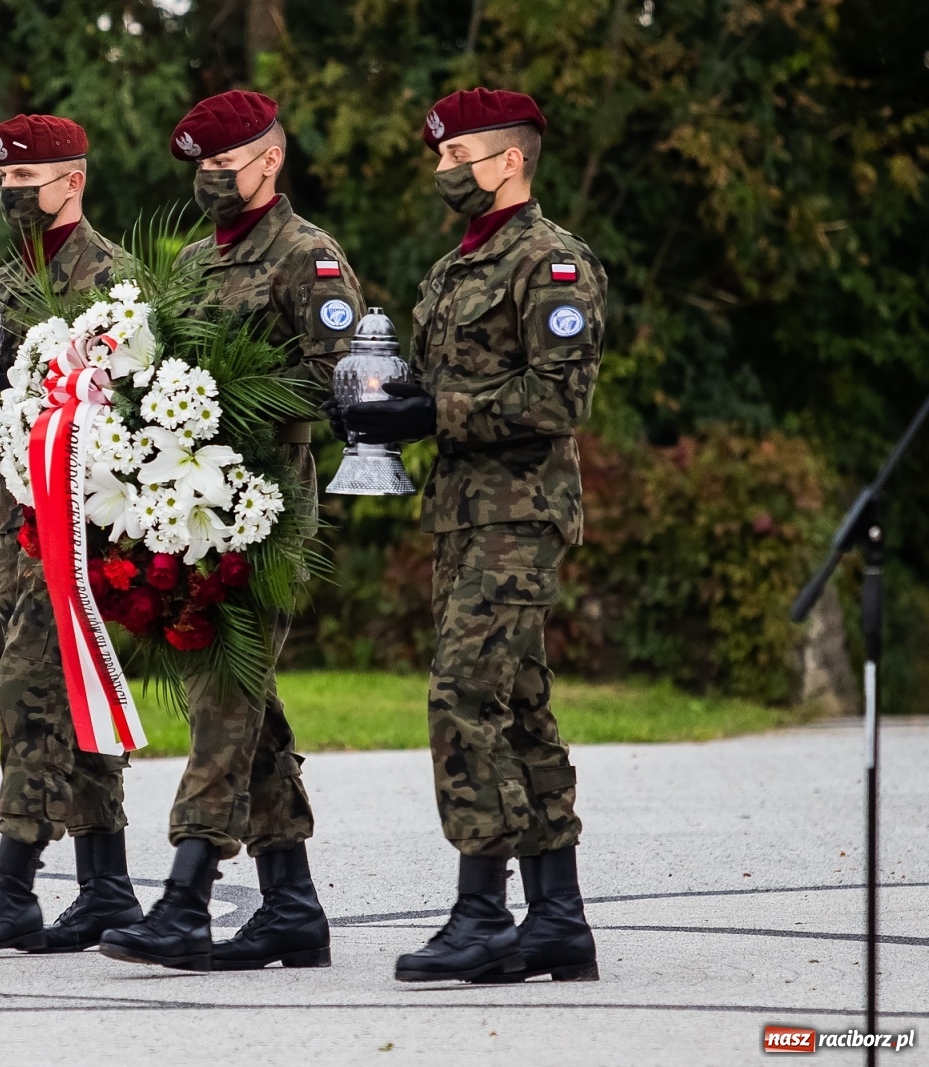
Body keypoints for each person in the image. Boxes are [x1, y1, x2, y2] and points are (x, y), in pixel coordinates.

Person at [337, 88, 605, 984]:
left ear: (511, 162)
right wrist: (385, 402)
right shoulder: (457, 267)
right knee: (518, 704)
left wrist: (435, 410)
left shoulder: (551, 263)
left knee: (463, 697)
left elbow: (560, 398)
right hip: (464, 514)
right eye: (440, 158)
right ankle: (557, 919)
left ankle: (483, 913)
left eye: (458, 158)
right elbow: (447, 382)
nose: (443, 171)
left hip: (518, 514)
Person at [98, 90, 365, 973]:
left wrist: (226, 410)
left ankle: (185, 897)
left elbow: (342, 387)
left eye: (225, 163)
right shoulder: (195, 263)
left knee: (225, 696)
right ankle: (291, 904)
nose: (211, 179)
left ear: (270, 159)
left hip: (266, 503)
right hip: (193, 502)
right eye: (200, 168)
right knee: (243, 691)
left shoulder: (307, 257)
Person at [0, 114, 141, 955]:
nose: (12, 193)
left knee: (31, 692)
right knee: (73, 698)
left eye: (27, 180)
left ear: (72, 182)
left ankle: (13, 885)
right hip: (16, 521)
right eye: (4, 182)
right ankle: (107, 885)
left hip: (79, 523)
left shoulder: (112, 280)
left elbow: (121, 407)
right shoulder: (5, 283)